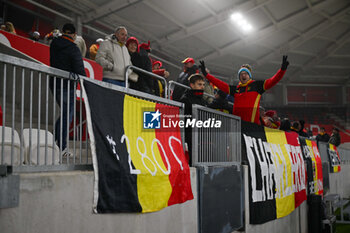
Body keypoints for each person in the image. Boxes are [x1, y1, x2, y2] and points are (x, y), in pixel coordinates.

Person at [199, 56, 289, 124]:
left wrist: (282, 70)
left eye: (246, 73)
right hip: (238, 125)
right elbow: (220, 84)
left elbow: (273, 80)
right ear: (239, 77)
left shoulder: (258, 85)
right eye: (241, 74)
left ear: (249, 75)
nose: (243, 75)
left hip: (252, 126)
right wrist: (206, 75)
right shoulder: (236, 89)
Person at [49, 23, 86, 155]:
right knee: (67, 117)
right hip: (67, 85)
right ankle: (62, 147)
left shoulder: (54, 44)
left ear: (63, 31)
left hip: (54, 83)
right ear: (74, 35)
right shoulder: (73, 48)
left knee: (64, 115)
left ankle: (54, 142)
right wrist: (85, 82)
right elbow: (79, 69)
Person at [179, 74, 208, 165]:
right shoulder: (185, 99)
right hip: (190, 134)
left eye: (203, 84)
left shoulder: (203, 101)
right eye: (199, 84)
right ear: (192, 85)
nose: (202, 87)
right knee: (194, 159)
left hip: (202, 134)